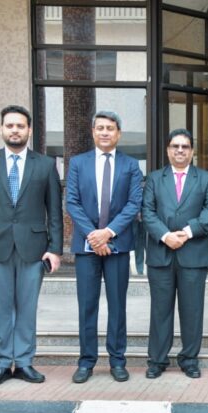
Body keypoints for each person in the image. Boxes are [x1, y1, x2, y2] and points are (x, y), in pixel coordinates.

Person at [0, 105, 63, 387]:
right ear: (1, 129)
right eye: (9, 125)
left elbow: (55, 210)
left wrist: (55, 249)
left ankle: (23, 362)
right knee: (0, 307)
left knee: (26, 307)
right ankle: (0, 364)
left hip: (33, 248)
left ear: (29, 130)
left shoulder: (45, 164)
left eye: (20, 126)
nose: (14, 130)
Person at [66, 110, 143, 383]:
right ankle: (86, 361)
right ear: (93, 131)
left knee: (117, 305)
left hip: (118, 246)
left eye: (110, 128)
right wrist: (93, 236)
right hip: (87, 247)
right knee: (87, 305)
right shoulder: (78, 163)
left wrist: (108, 233)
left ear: (118, 133)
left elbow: (134, 204)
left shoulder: (131, 165)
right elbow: (71, 202)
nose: (105, 132)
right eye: (100, 127)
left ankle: (117, 360)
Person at [142, 129, 208, 380]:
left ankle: (189, 359)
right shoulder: (154, 179)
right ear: (168, 150)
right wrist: (166, 236)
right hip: (161, 254)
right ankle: (157, 359)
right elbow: (147, 212)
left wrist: (186, 233)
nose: (180, 150)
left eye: (185, 146)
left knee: (192, 310)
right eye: (175, 146)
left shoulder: (206, 179)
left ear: (192, 151)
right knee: (160, 311)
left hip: (193, 254)